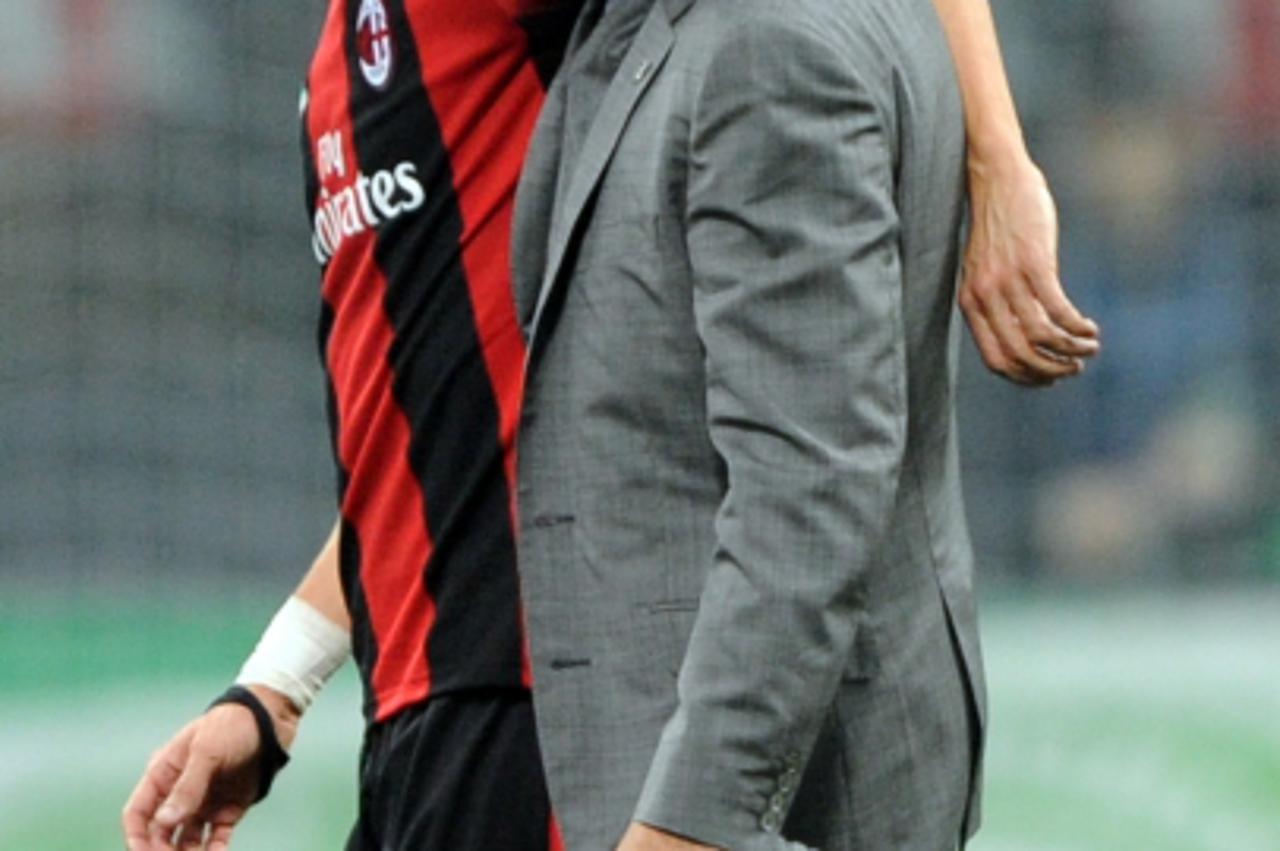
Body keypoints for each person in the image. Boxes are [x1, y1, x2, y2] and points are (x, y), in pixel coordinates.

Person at [120, 0, 1098, 849]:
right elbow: (440, 426)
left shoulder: (604, 43)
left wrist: (996, 158)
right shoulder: (345, 47)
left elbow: (805, 479)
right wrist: (281, 680)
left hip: (559, 709)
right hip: (418, 710)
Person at [510, 0, 1007, 848]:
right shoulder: (658, 23)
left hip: (781, 803)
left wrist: (687, 824)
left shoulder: (769, 47)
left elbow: (808, 490)